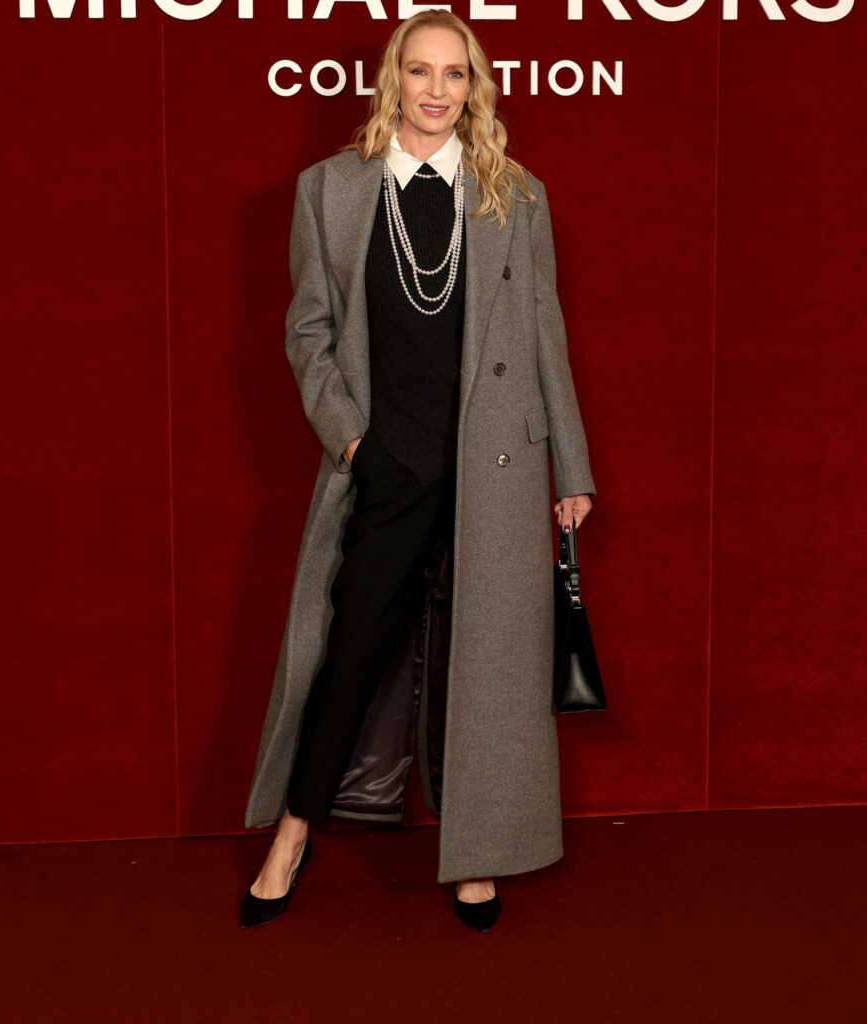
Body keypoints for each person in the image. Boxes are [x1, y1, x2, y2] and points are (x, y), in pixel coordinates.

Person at [241, 9, 596, 934]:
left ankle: (477, 855)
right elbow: (308, 332)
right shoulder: (330, 190)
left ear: (474, 87)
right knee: (351, 652)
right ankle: (291, 835)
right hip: (389, 463)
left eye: (455, 73)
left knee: (488, 667)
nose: (437, 90)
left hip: (497, 465)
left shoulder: (515, 194)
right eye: (421, 71)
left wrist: (572, 469)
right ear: (393, 80)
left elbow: (547, 336)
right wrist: (354, 444)